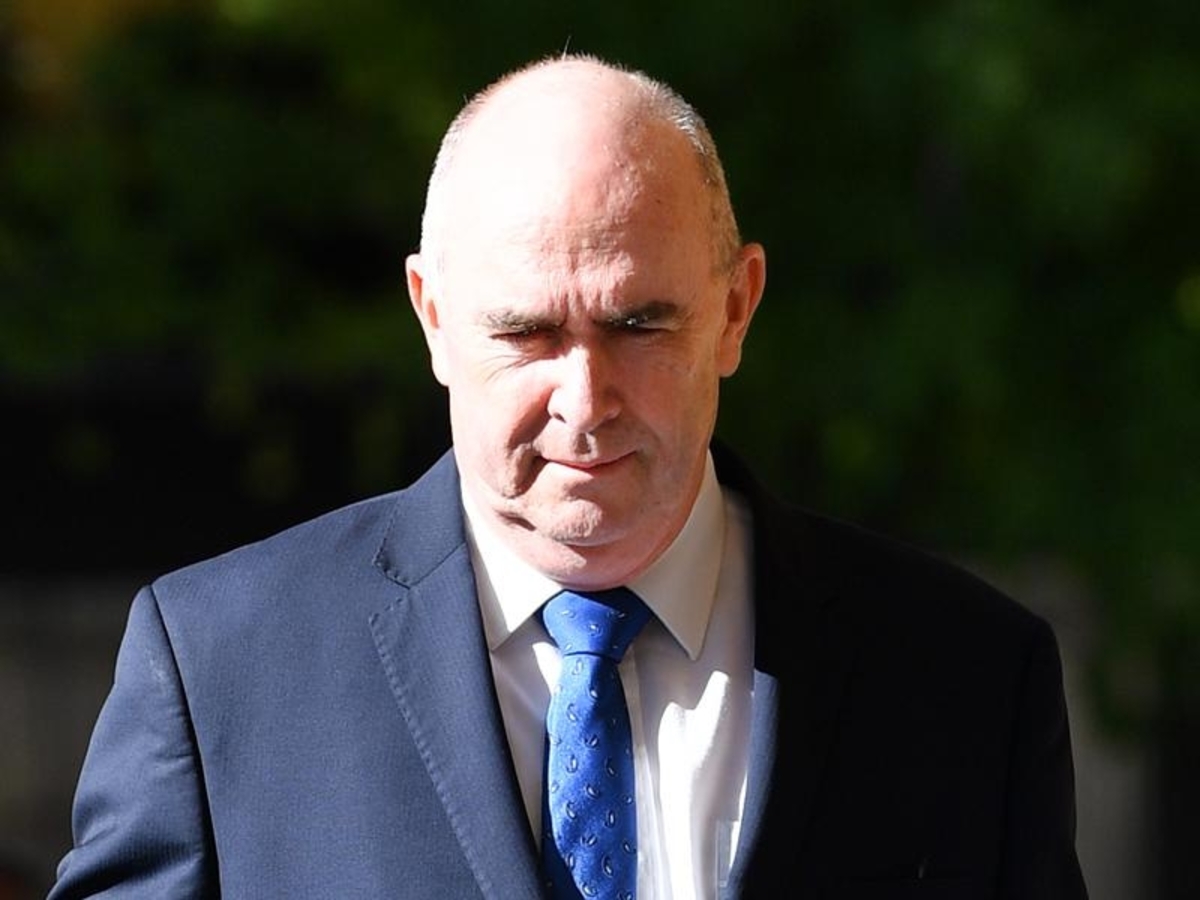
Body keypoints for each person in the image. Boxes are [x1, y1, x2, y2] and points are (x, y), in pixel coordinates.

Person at [49, 54, 1088, 899]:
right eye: (526, 332)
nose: (584, 400)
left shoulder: (965, 679)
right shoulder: (224, 669)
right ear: (433, 318)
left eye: (638, 324)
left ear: (735, 309)